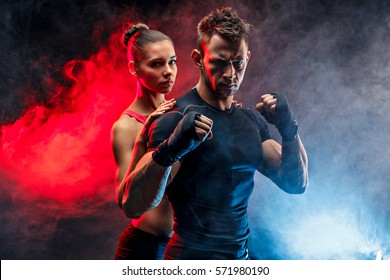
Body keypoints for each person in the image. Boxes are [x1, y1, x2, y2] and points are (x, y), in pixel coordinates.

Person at [118, 7, 309, 260]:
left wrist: (288, 130)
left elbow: (295, 184)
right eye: (218, 63)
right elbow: (134, 205)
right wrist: (168, 150)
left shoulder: (250, 121)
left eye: (237, 63)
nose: (230, 74)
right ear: (198, 58)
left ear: (247, 58)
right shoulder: (174, 118)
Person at [111, 22, 177, 260]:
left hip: (182, 248)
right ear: (134, 68)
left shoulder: (180, 112)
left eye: (172, 61)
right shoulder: (126, 126)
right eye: (156, 64)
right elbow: (123, 199)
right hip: (145, 249)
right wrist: (142, 140)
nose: (168, 71)